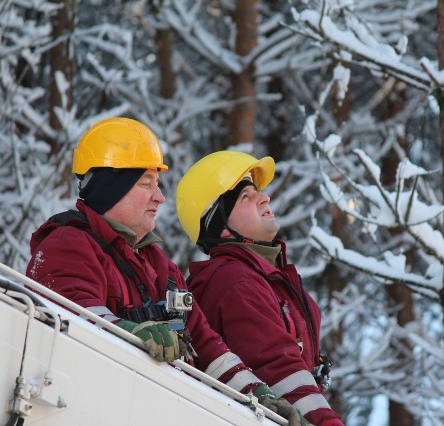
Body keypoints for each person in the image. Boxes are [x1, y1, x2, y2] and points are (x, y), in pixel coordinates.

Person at [26, 118, 306, 425]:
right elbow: (73, 321)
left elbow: (208, 347)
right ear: (111, 189)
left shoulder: (160, 266)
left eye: (157, 184)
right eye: (146, 183)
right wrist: (131, 333)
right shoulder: (68, 244)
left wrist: (258, 396)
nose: (159, 197)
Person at [175, 151, 345, 426]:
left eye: (259, 192)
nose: (264, 198)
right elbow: (277, 369)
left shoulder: (270, 279)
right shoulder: (235, 283)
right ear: (223, 229)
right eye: (246, 197)